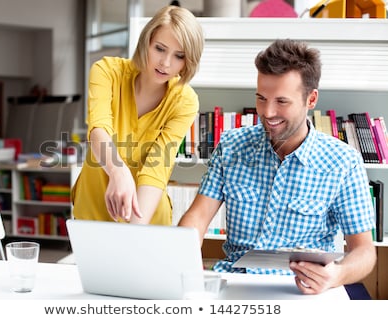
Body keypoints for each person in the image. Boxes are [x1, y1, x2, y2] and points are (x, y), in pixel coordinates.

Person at [178, 39, 376, 295]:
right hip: (236, 284)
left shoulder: (343, 162)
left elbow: (364, 251)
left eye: (282, 102)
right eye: (261, 98)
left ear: (311, 99)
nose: (268, 112)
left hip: (301, 290)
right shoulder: (231, 145)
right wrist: (181, 262)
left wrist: (336, 274)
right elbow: (198, 217)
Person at [71, 5, 204, 225]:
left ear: (188, 61)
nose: (166, 63)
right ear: (147, 42)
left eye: (179, 56)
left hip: (147, 213)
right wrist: (118, 173)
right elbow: (98, 131)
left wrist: (135, 232)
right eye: (160, 48)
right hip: (93, 208)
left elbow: (157, 167)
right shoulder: (106, 72)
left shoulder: (184, 101)